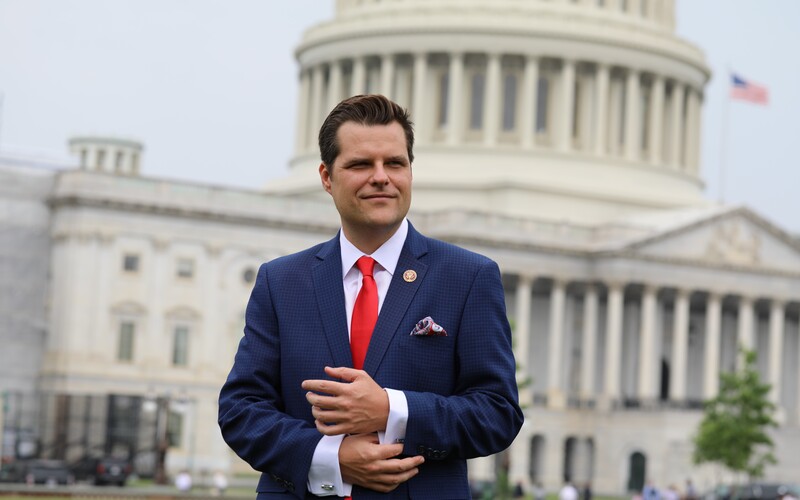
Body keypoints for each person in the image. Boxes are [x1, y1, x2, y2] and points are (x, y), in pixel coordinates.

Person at [218, 94, 524, 499]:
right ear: (327, 177)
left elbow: (498, 413)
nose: (381, 177)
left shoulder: (468, 277)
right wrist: (331, 456)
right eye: (361, 164)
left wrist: (391, 409)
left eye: (395, 163)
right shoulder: (281, 282)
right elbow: (241, 410)